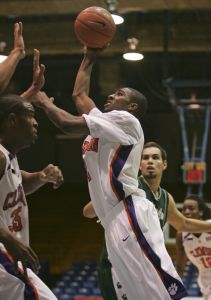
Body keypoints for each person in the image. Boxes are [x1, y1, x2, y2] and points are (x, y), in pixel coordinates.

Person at [32, 47, 187, 299]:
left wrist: (43, 101)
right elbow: (79, 95)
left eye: (119, 94)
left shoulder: (126, 120)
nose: (111, 96)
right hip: (111, 220)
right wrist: (89, 56)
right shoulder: (106, 125)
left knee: (160, 290)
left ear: (132, 106)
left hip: (129, 210)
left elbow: (66, 123)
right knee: (138, 295)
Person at [84, 141, 211, 299]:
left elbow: (184, 224)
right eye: (145, 158)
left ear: (164, 164)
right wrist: (110, 196)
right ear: (139, 165)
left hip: (146, 267)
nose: (150, 161)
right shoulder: (128, 186)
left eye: (155, 157)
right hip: (119, 266)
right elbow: (88, 212)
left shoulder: (166, 198)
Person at [0, 93, 64, 300]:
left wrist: (41, 177)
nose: (36, 123)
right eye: (30, 115)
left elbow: (18, 184)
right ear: (12, 120)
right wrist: (8, 238)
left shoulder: (9, 158)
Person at [176, 195, 211, 300]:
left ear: (201, 212)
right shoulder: (182, 235)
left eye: (191, 208)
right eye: (183, 209)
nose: (186, 211)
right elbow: (180, 266)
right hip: (204, 282)